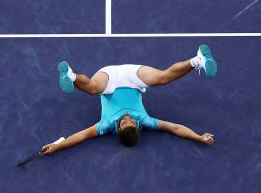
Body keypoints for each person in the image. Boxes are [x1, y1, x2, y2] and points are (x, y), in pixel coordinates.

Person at [40, 44, 218, 156]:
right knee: (163, 78)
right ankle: (198, 59)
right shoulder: (144, 121)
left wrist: (58, 146)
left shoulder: (106, 125)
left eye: (125, 123)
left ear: (118, 129)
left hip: (108, 79)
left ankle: (69, 75)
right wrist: (198, 137)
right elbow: (175, 128)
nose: (128, 118)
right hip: (133, 79)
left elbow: (81, 136)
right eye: (131, 122)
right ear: (137, 127)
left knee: (93, 89)